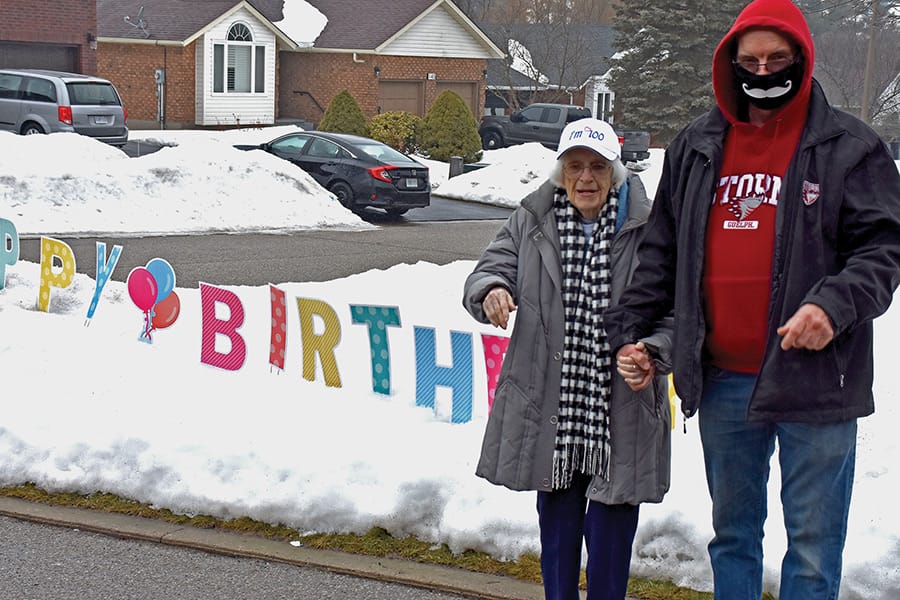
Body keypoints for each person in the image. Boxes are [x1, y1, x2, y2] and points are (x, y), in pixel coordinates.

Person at [603, 0, 900, 598]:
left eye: (778, 60)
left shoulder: (850, 146)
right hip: (723, 380)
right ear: (730, 63)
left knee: (814, 549)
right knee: (733, 537)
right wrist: (631, 332)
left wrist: (833, 307)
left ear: (802, 60)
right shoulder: (696, 144)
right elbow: (661, 249)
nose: (763, 72)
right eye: (750, 61)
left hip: (818, 383)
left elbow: (883, 248)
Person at [462, 117, 673, 600]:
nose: (585, 179)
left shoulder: (649, 228)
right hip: (550, 406)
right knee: (556, 532)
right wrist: (492, 288)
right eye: (574, 166)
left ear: (615, 172)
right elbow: (493, 265)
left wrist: (654, 351)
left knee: (611, 533)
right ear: (560, 171)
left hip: (621, 408)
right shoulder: (531, 220)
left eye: (598, 167)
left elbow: (677, 309)